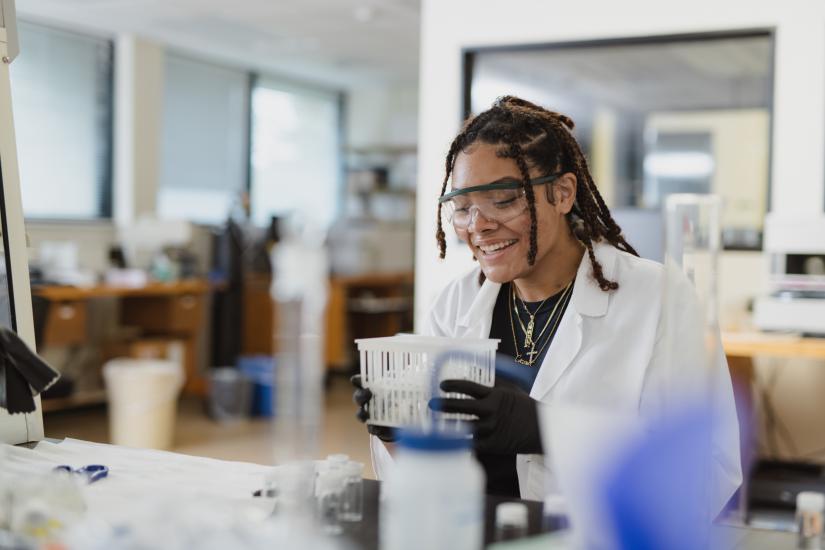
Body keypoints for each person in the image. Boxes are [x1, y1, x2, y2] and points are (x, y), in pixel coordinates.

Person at [352, 96, 741, 513]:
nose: (479, 225)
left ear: (562, 193)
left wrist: (548, 430)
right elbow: (428, 488)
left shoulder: (659, 297)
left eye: (502, 200)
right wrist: (398, 433)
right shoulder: (454, 306)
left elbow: (704, 474)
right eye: (463, 208)